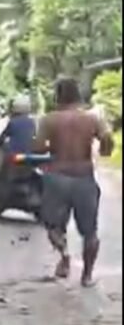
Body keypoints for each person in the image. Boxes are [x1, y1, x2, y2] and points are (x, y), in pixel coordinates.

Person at [35, 76, 115, 286]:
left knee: (53, 226)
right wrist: (105, 149)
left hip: (57, 177)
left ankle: (64, 256)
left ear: (57, 96)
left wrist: (51, 147)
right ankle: (87, 276)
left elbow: (38, 148)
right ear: (78, 95)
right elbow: (107, 141)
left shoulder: (48, 119)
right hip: (84, 177)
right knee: (90, 231)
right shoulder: (91, 119)